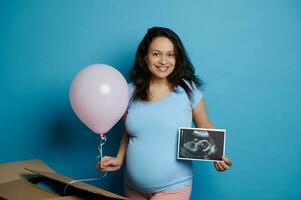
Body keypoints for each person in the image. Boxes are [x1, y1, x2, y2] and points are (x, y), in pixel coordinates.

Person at [97, 27, 232, 200]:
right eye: (156, 54)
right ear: (145, 57)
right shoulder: (129, 92)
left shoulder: (188, 90)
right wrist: (119, 158)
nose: (163, 61)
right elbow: (130, 132)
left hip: (174, 188)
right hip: (132, 187)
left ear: (177, 58)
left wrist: (216, 156)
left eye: (170, 54)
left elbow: (204, 125)